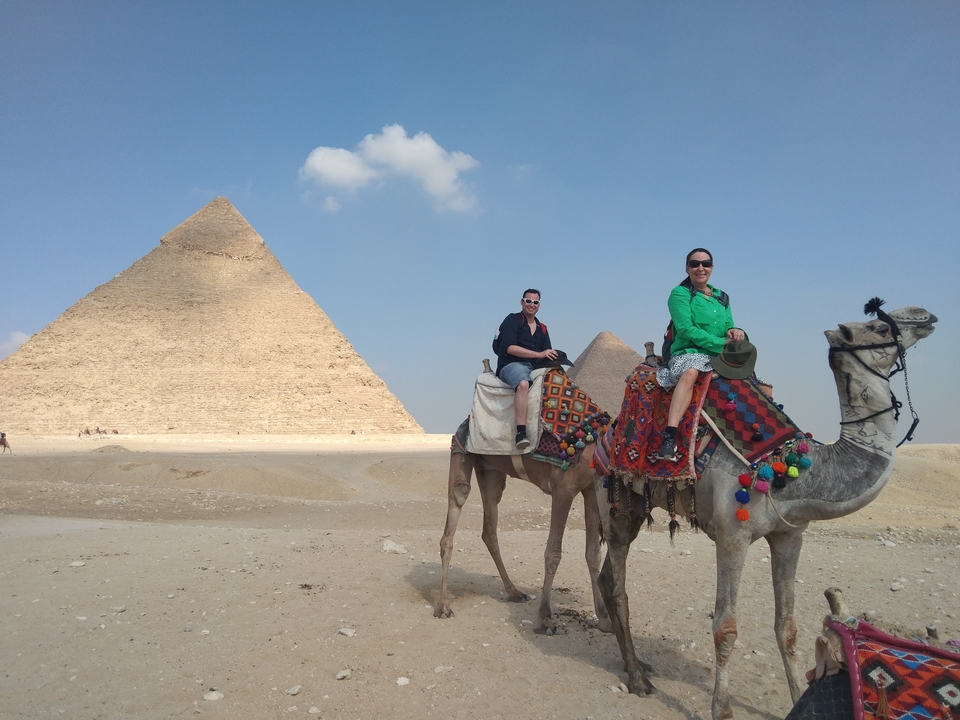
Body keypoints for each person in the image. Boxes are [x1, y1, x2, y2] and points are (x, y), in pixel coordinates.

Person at [656, 248, 745, 461]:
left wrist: (735, 332)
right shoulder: (680, 294)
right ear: (687, 268)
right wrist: (720, 342)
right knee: (690, 373)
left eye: (706, 263)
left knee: (759, 383)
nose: (700, 268)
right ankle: (669, 436)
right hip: (689, 352)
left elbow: (728, 326)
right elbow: (686, 329)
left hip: (718, 355)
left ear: (712, 267)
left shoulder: (721, 297)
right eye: (695, 264)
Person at [495, 289, 557, 450]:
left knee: (557, 383)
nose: (531, 305)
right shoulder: (512, 320)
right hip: (511, 364)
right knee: (523, 383)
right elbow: (509, 348)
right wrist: (538, 353)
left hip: (533, 367)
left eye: (535, 302)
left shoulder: (542, 328)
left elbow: (546, 353)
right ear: (522, 302)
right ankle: (521, 433)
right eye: (528, 301)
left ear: (539, 305)